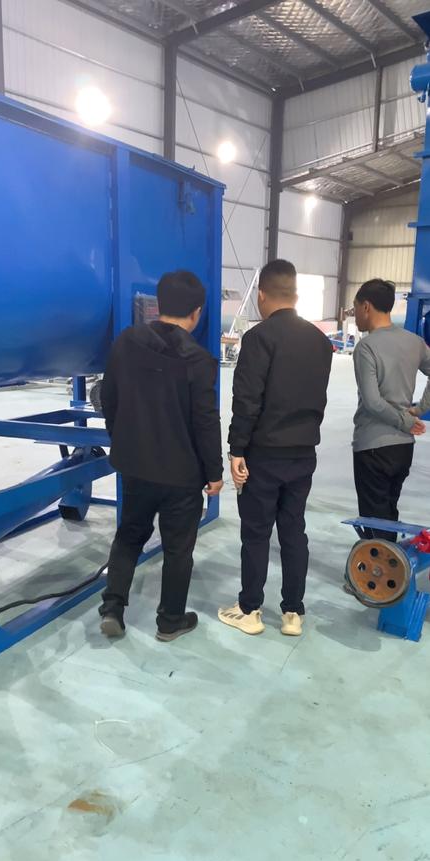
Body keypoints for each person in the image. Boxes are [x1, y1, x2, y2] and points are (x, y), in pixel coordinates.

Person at [99, 270, 223, 642]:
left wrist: (121, 440)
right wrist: (214, 472)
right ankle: (170, 621)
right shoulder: (199, 360)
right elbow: (205, 421)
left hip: (135, 465)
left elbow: (109, 398)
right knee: (178, 549)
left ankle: (113, 607)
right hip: (181, 474)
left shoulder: (126, 343)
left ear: (159, 304)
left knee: (129, 535)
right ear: (197, 312)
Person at [219, 259, 332, 638]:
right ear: (295, 295)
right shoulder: (320, 342)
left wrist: (236, 449)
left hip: (264, 455)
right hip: (303, 453)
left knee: (255, 533)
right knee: (294, 531)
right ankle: (293, 612)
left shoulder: (259, 338)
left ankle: (250, 609)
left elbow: (247, 400)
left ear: (262, 295)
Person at [351, 278, 429, 542]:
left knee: (374, 520)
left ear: (366, 306)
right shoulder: (414, 342)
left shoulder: (366, 347)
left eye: (355, 307)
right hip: (403, 448)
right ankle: (389, 560)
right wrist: (420, 409)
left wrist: (406, 421)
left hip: (373, 447)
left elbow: (372, 402)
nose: (355, 314)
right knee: (388, 512)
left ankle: (382, 566)